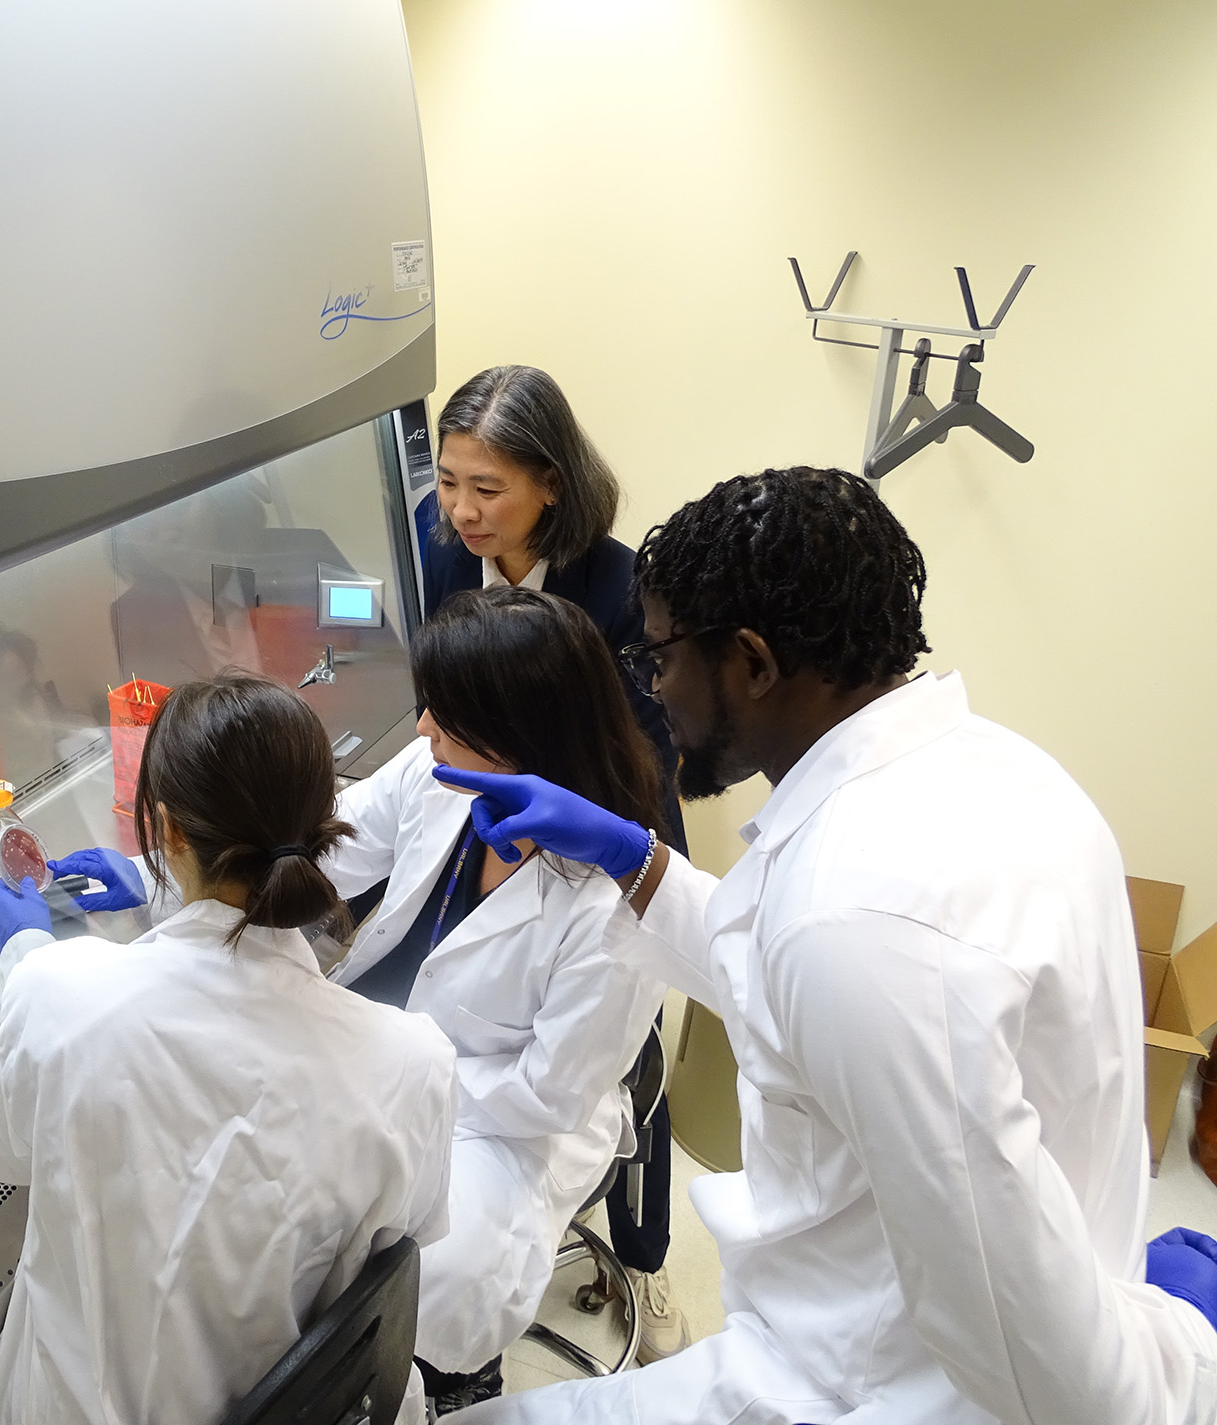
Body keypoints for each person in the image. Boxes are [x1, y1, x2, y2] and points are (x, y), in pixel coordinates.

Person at [436, 467, 1217, 1425]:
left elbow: (1041, 1359)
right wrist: (634, 859)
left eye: (662, 657)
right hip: (874, 1318)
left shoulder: (863, 925)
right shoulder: (1004, 773)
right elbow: (787, 982)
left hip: (862, 1383)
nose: (654, 689)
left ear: (754, 663)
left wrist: (1176, 1363)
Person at [0, 673, 459, 1425]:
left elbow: (7, 1158)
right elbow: (397, 1245)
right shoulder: (413, 1063)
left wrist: (27, 947)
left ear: (165, 829)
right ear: (324, 825)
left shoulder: (54, 994)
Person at [322, 585, 668, 1412]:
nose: (421, 729)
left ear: (517, 733)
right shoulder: (441, 767)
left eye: (444, 713)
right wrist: (205, 862)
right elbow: (332, 845)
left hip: (507, 1122)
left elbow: (548, 1096)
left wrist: (397, 1072)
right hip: (381, 1044)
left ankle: (460, 1377)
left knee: (441, 1267)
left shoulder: (614, 904)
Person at [423, 363, 688, 1354]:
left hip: (606, 816)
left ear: (552, 488)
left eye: (485, 488)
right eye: (448, 481)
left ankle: (650, 1263)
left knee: (615, 1037)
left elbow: (645, 750)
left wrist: (582, 825)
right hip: (495, 801)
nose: (460, 511)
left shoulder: (621, 590)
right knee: (493, 983)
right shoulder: (440, 549)